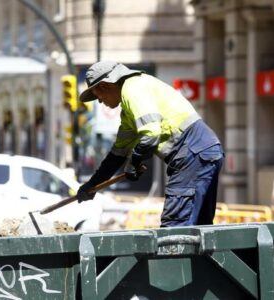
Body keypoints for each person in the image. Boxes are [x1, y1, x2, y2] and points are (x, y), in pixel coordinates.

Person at [76, 61, 224, 227]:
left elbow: (151, 134)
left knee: (175, 229)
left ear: (104, 86)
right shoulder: (129, 109)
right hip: (204, 153)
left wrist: (135, 161)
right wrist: (91, 186)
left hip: (193, 154)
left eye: (98, 96)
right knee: (200, 227)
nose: (100, 102)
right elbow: (116, 155)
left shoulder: (132, 90)